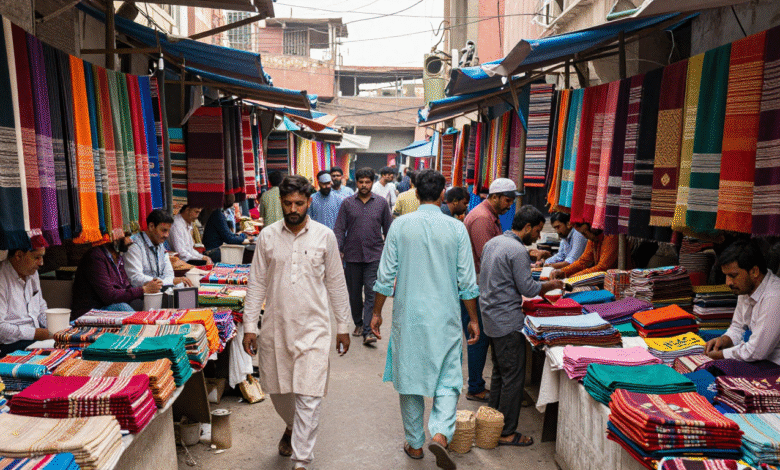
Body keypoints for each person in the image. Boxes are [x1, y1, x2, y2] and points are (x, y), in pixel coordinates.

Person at [370, 169, 480, 469]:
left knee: (409, 378)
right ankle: (442, 434)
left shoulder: (400, 226)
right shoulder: (456, 229)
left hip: (410, 317)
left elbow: (385, 276)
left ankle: (416, 444)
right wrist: (473, 318)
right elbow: (467, 282)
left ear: (415, 193)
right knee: (448, 378)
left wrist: (377, 312)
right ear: (443, 193)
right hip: (445, 317)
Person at [242, 175, 351, 470]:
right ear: (280, 202)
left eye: (299, 203)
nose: (293, 208)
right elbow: (256, 284)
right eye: (288, 203)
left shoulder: (324, 236)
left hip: (314, 329)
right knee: (277, 391)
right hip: (276, 328)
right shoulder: (267, 236)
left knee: (309, 394)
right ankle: (291, 426)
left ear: (308, 203)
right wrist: (250, 325)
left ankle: (302, 460)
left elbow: (337, 284)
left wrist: (343, 326)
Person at [480, 206, 564, 447]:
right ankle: (506, 431)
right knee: (513, 377)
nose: (538, 236)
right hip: (506, 320)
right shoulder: (516, 250)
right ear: (527, 228)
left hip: (492, 316)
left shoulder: (494, 243)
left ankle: (492, 421)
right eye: (537, 231)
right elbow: (528, 289)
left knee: (500, 372)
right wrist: (550, 284)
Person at [461, 178, 519, 402]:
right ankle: (475, 387)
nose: (509, 205)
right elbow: (488, 258)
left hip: (480, 284)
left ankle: (478, 384)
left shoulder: (488, 216)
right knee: (479, 336)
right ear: (494, 197)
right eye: (507, 200)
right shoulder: (482, 219)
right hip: (476, 286)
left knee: (481, 336)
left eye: (512, 201)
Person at [334, 167, 392, 345]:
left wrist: (389, 253)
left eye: (367, 182)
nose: (364, 185)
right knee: (354, 294)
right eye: (361, 182)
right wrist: (338, 250)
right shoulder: (347, 203)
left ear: (372, 183)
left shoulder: (381, 203)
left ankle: (369, 331)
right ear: (356, 183)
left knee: (371, 292)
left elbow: (389, 229)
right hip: (352, 255)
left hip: (374, 255)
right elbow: (339, 229)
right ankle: (358, 323)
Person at [705, 240, 780, 363]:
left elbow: (755, 352)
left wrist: (722, 354)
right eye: (726, 276)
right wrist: (724, 340)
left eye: (733, 276)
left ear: (754, 271)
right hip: (761, 362)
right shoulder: (746, 288)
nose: (728, 282)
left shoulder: (775, 297)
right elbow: (737, 327)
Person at [71, 235, 162, 320]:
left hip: (107, 309)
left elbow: (124, 287)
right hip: (89, 314)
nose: (130, 240)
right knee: (122, 307)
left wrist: (148, 290)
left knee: (143, 302)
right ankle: (143, 327)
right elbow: (109, 296)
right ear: (113, 236)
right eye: (127, 236)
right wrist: (143, 290)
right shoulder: (95, 257)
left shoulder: (118, 257)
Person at [0, 237, 51, 357]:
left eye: (42, 257)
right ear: (18, 255)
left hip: (35, 340)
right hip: (9, 345)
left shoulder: (32, 273)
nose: (41, 263)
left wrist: (52, 327)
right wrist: (35, 333)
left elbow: (41, 307)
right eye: (36, 257)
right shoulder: (2, 278)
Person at [125, 209, 193, 288]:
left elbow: (169, 274)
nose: (167, 235)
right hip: (141, 296)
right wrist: (168, 282)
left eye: (168, 231)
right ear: (151, 227)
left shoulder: (160, 245)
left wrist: (170, 282)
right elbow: (136, 278)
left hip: (160, 291)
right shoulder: (134, 245)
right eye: (164, 230)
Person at [550, 222, 619, 279]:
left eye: (584, 233)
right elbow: (583, 261)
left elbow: (602, 267)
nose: (584, 237)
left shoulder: (611, 235)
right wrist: (563, 271)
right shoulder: (592, 238)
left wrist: (574, 277)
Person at [203, 194, 253, 262]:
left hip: (213, 249)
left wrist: (240, 236)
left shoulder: (218, 214)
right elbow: (229, 238)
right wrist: (243, 237)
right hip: (213, 251)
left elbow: (228, 235)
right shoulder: (218, 215)